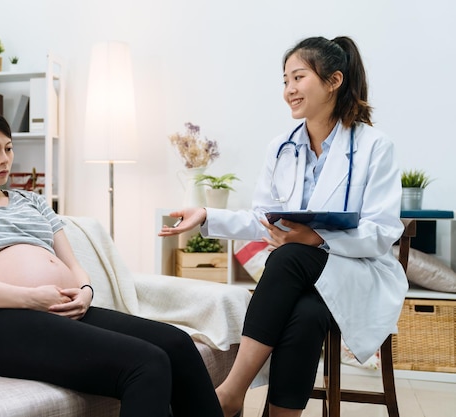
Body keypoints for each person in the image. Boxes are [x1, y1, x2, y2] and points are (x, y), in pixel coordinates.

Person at [0, 106, 224, 417]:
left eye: (8, 148)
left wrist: (86, 291)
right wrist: (29, 298)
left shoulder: (31, 200)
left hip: (65, 310)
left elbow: (73, 264)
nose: (4, 160)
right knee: (147, 363)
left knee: (177, 344)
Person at [159, 36, 408, 417]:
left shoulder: (375, 146)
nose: (289, 90)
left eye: (298, 77)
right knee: (305, 315)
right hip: (304, 280)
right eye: (285, 81)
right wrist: (207, 215)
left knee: (290, 255)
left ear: (333, 81)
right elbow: (263, 218)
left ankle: (230, 393)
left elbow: (383, 231)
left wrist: (316, 237)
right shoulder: (283, 147)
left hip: (358, 272)